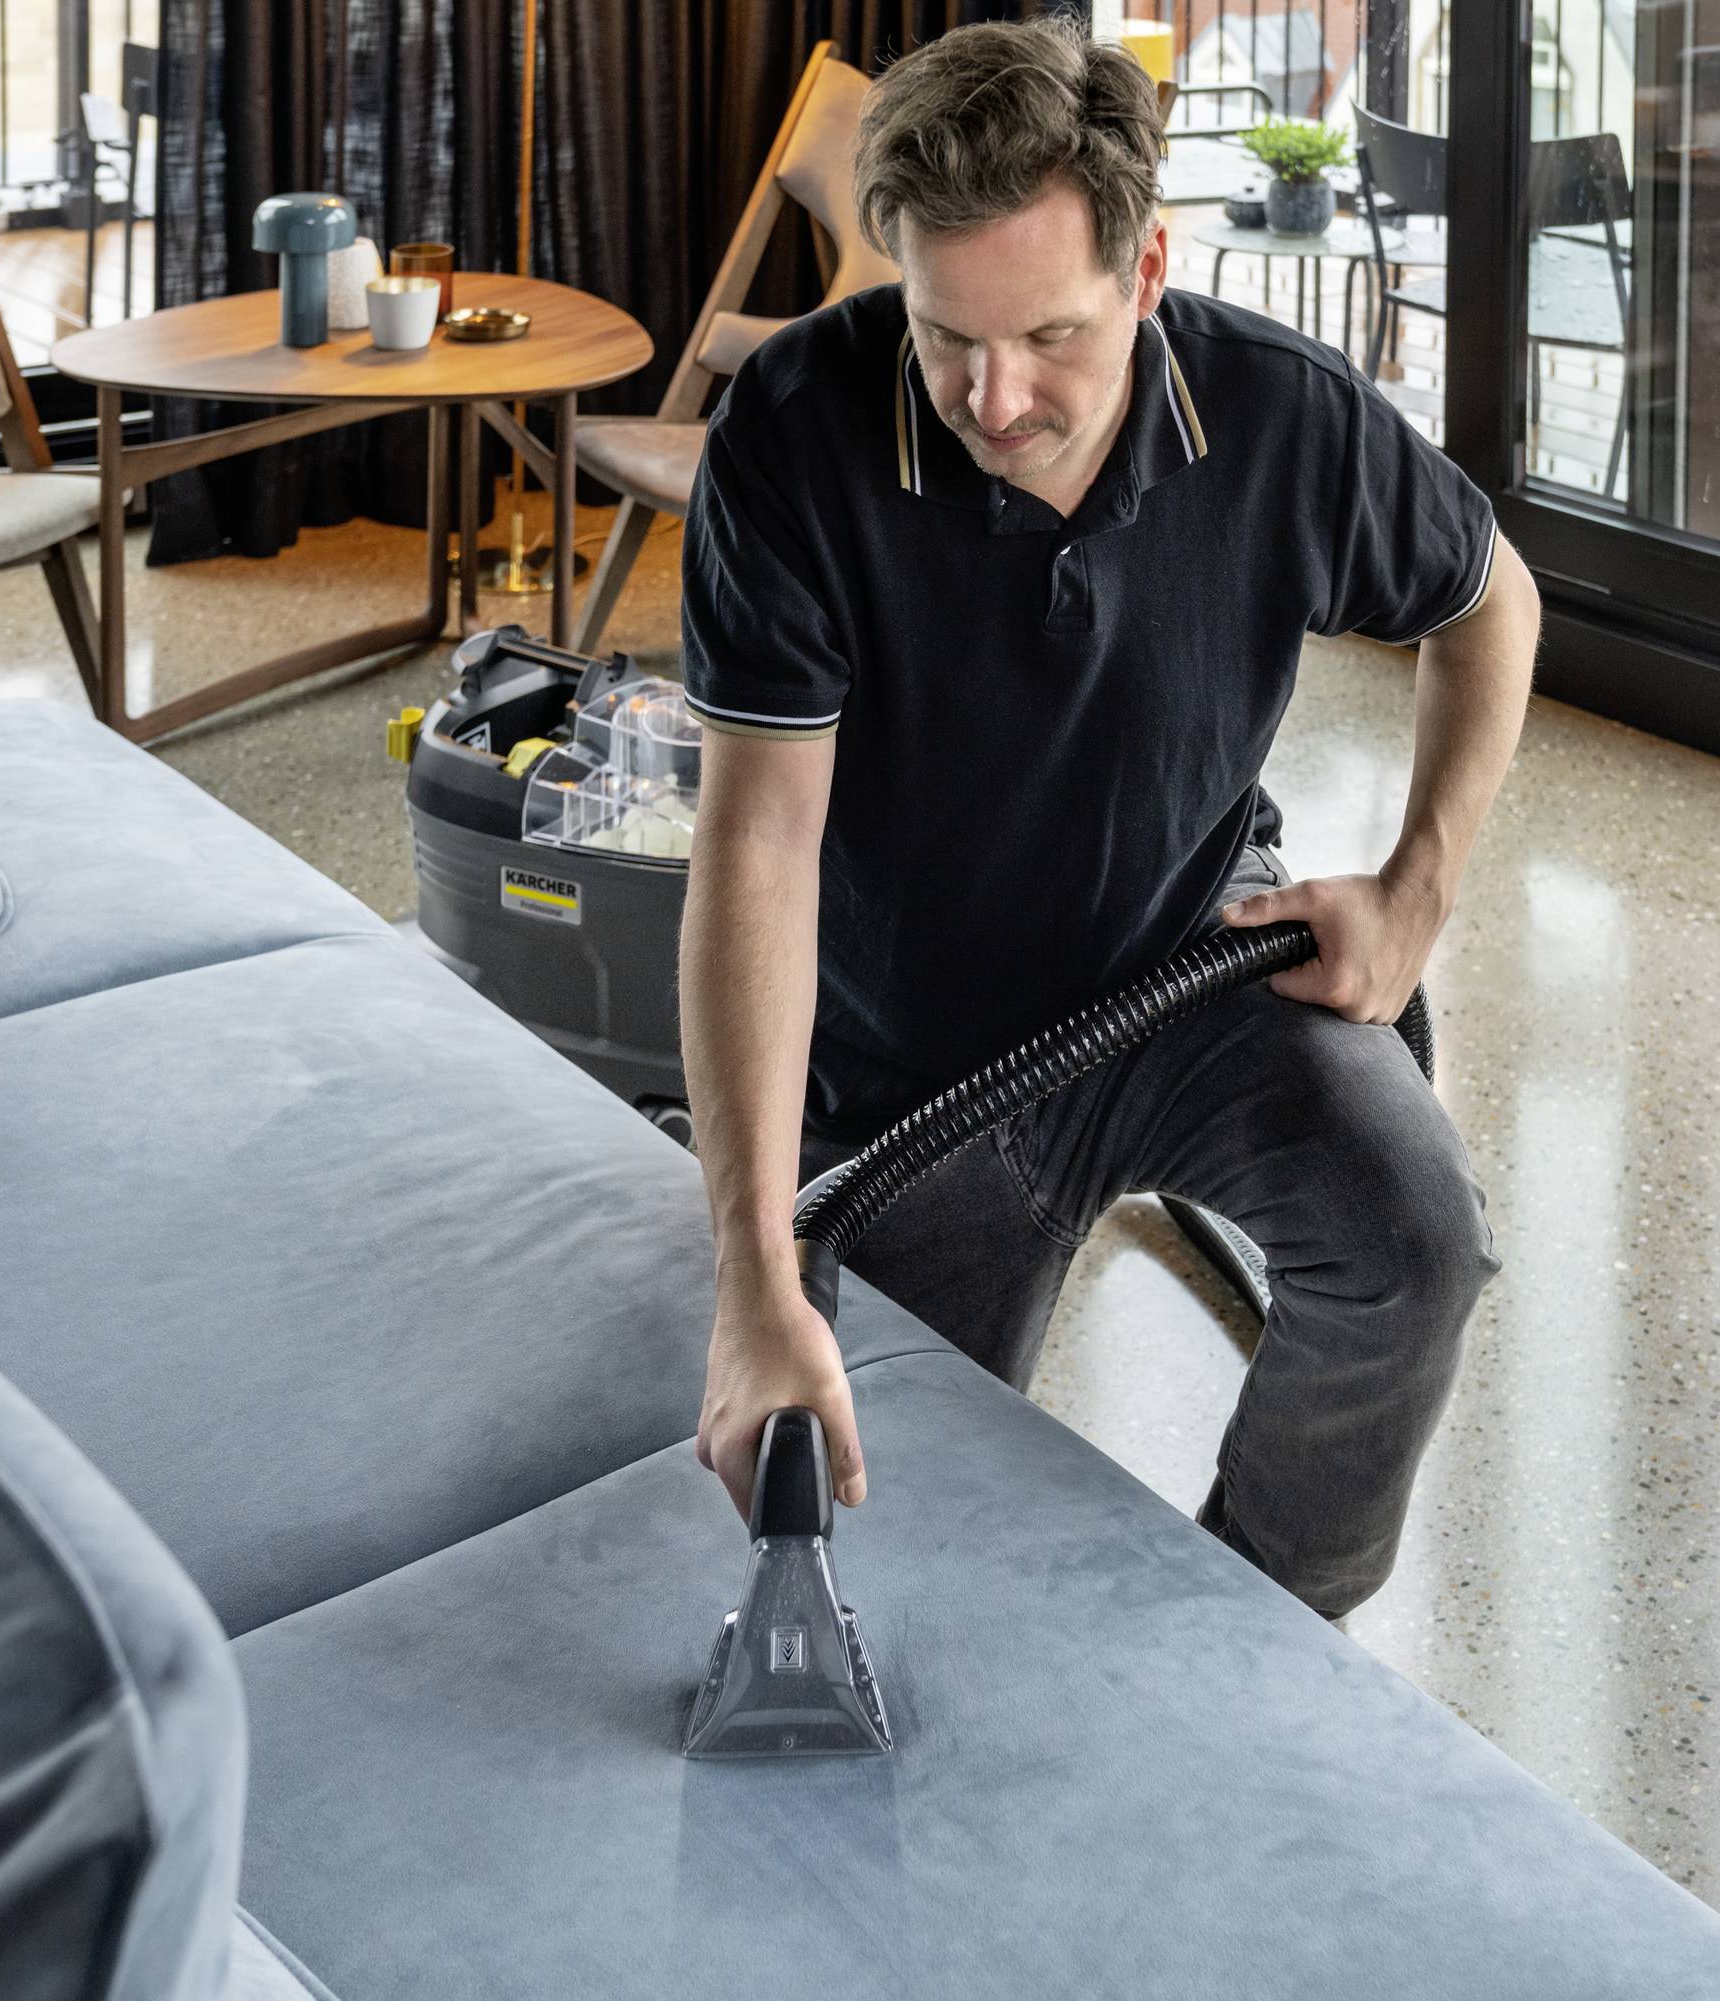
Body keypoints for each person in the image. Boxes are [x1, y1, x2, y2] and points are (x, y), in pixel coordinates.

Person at [679, 16, 1539, 1618]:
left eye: (1052, 338)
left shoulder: (1281, 417)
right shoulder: (794, 439)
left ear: (1148, 276)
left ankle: (1260, 1633)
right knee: (871, 1545)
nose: (993, 399)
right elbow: (757, 850)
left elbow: (1493, 602)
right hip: (904, 1064)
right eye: (945, 337)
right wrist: (751, 1272)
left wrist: (1419, 892)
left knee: (1414, 1242)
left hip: (1187, 968)